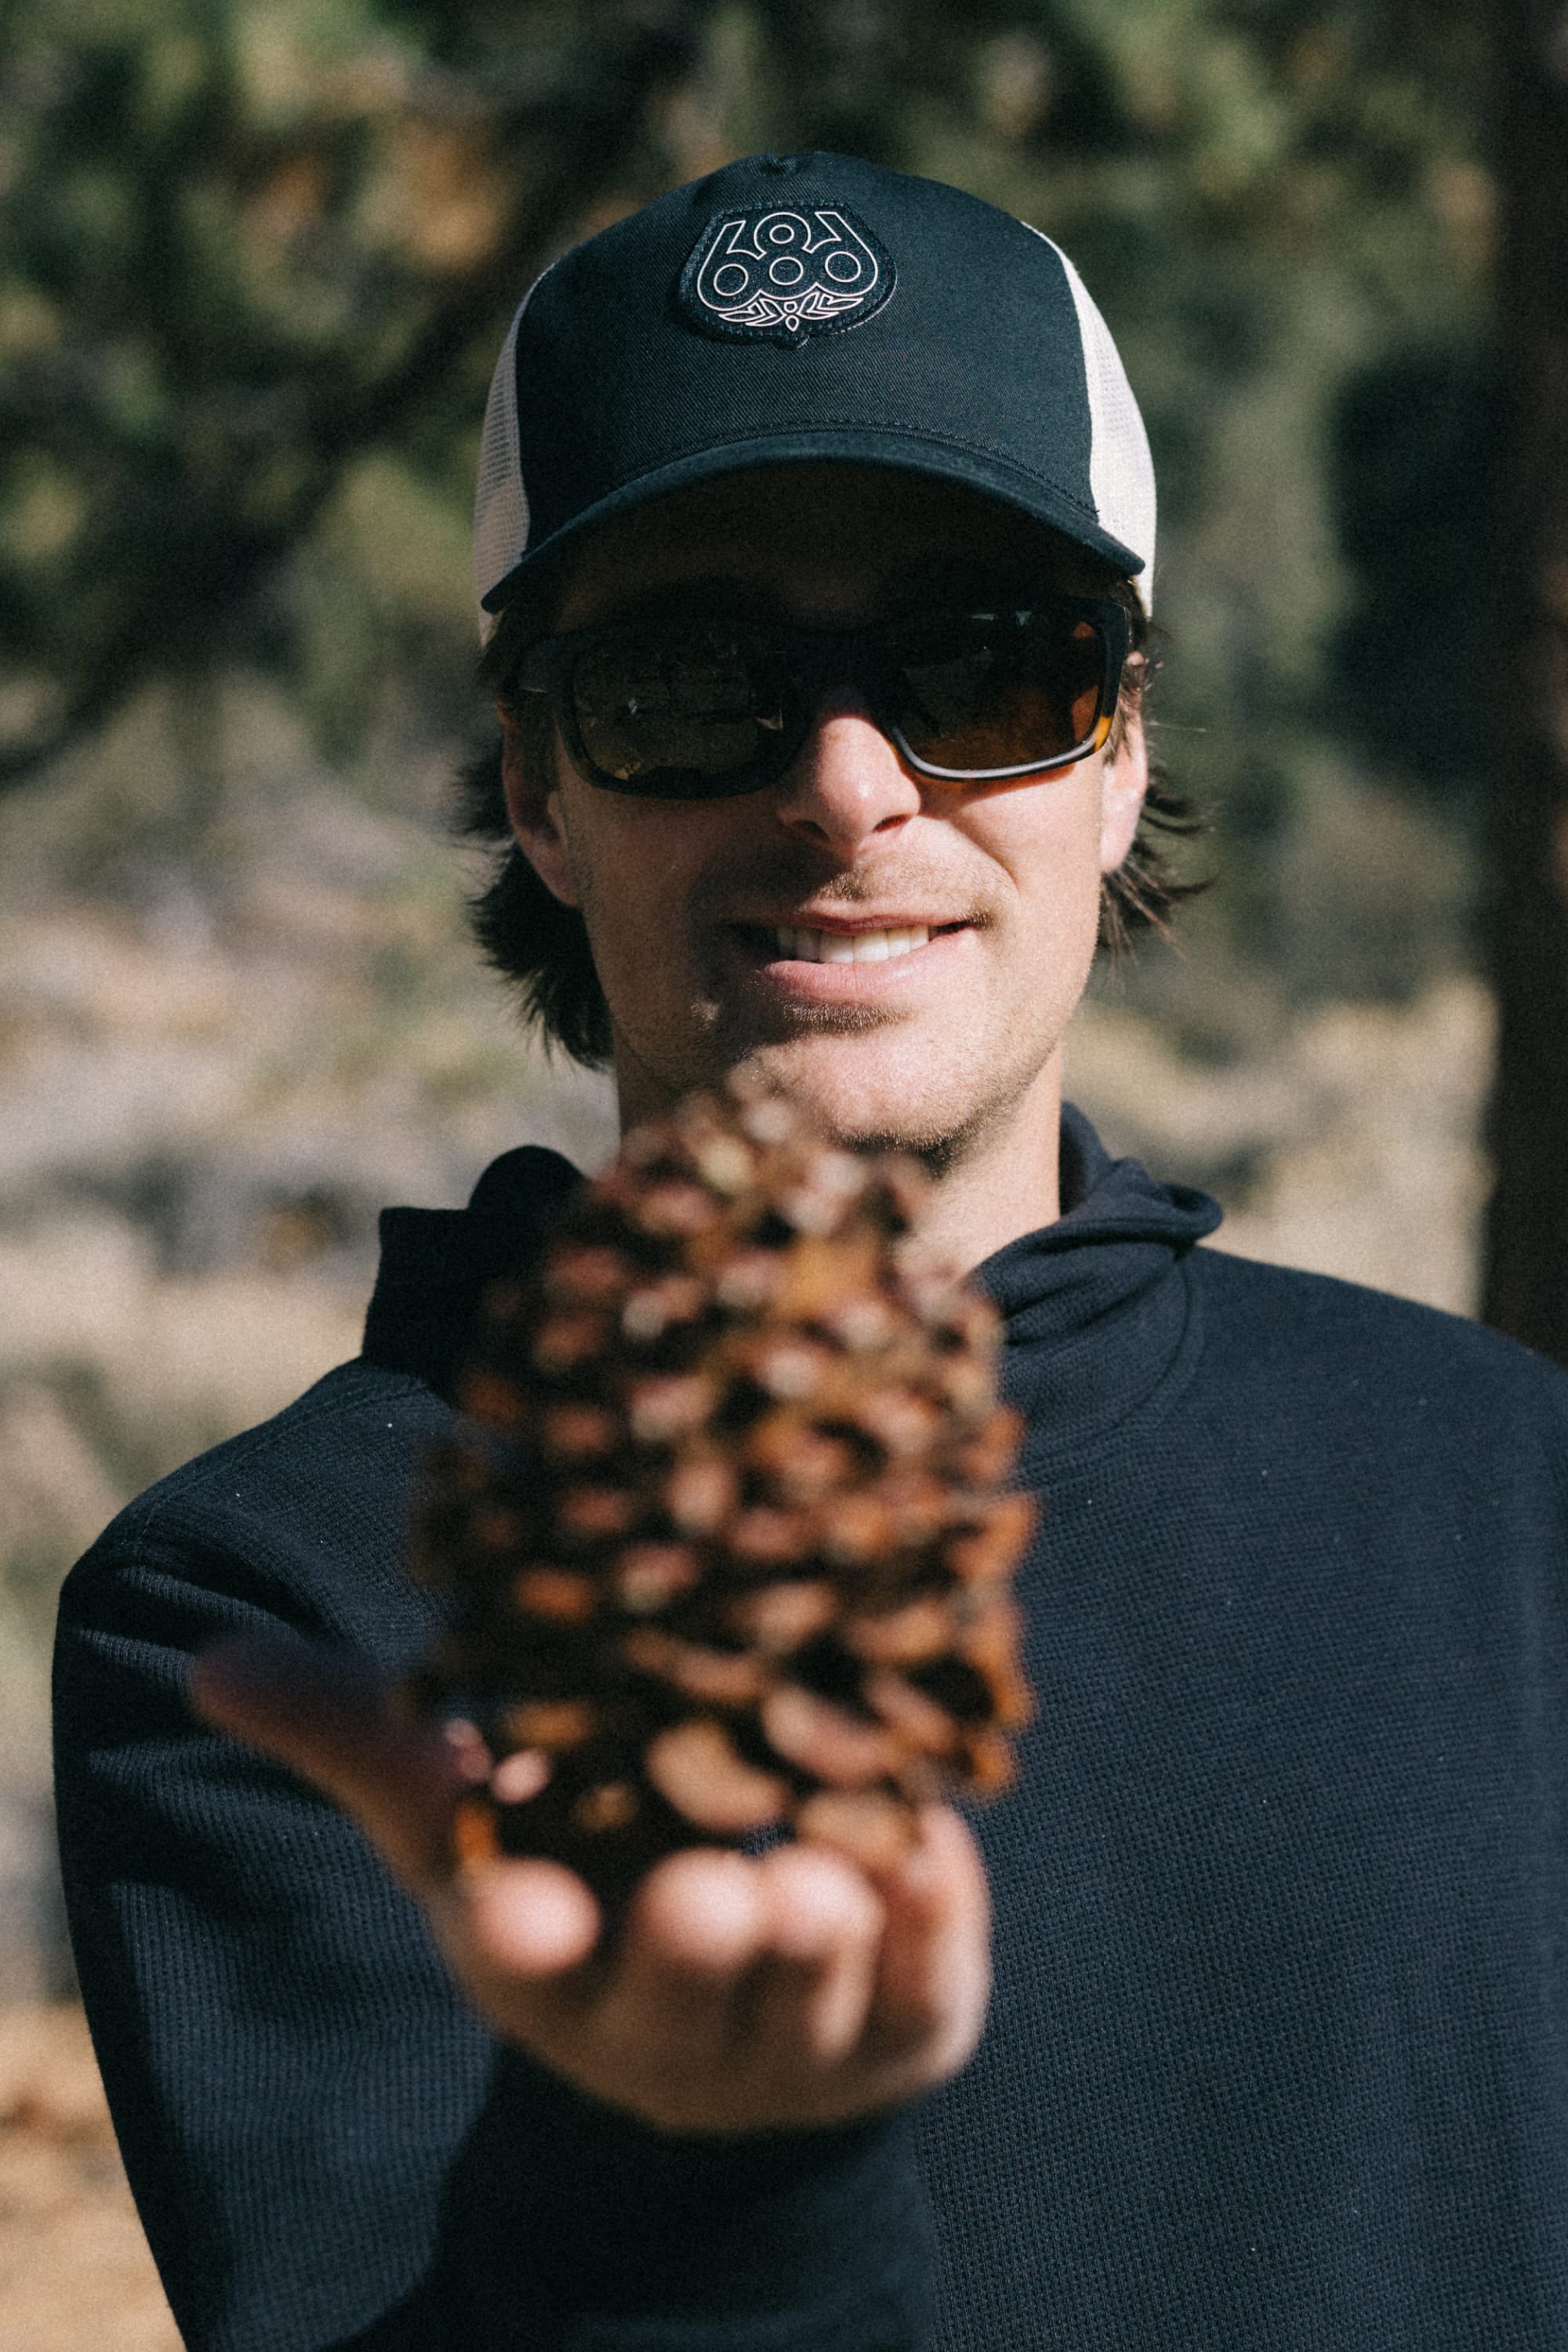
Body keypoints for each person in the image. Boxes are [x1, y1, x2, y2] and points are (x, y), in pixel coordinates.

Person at [53, 152, 1568, 2352]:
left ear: (1123, 748)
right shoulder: (279, 1618)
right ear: (543, 790)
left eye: (983, 665)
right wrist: (690, 2177)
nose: (850, 787)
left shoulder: (1502, 1489)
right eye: (689, 684)